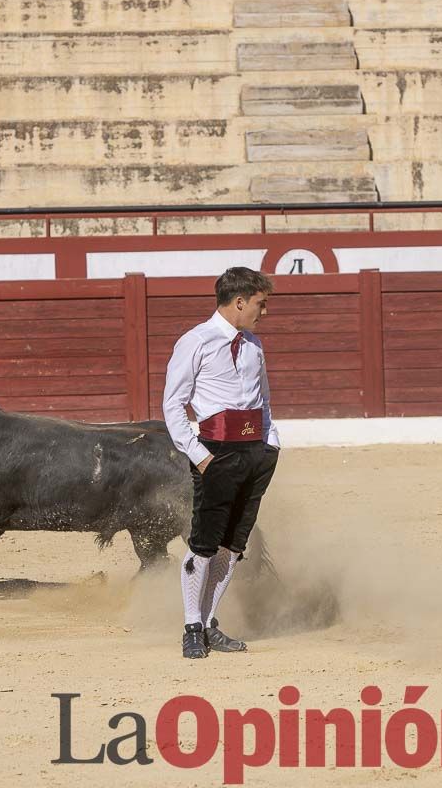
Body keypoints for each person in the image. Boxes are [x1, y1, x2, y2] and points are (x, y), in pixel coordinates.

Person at [162, 266, 281, 659]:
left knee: (234, 545)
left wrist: (271, 446)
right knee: (204, 543)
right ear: (239, 301)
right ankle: (191, 626)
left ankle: (210, 622)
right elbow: (173, 404)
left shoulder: (254, 345)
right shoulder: (196, 341)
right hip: (216, 451)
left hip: (255, 453)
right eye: (259, 305)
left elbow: (263, 400)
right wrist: (200, 456)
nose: (262, 313)